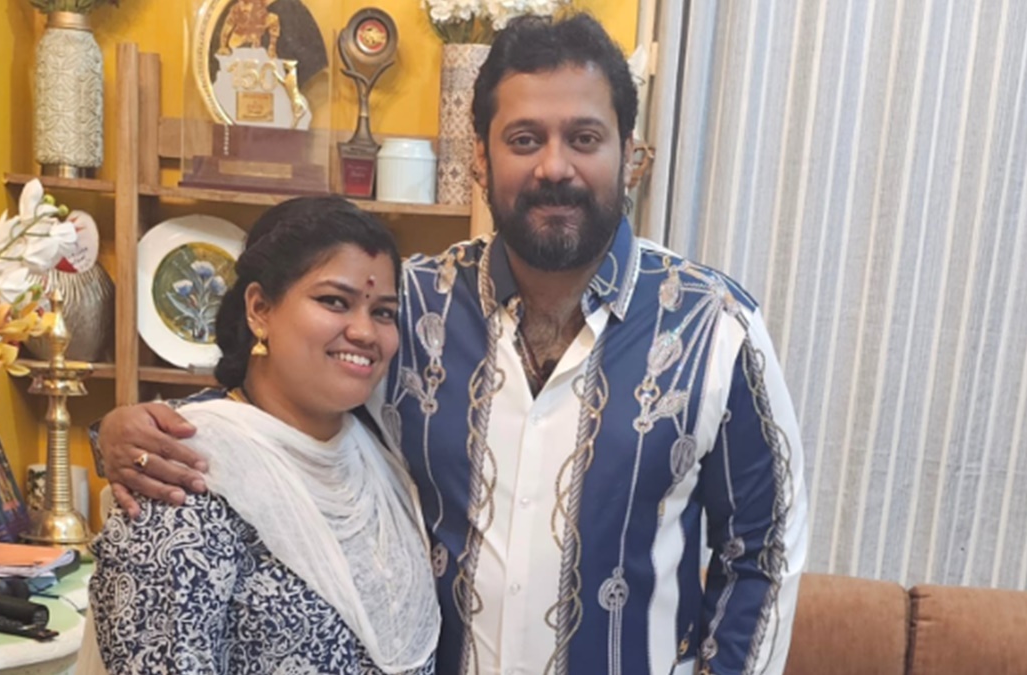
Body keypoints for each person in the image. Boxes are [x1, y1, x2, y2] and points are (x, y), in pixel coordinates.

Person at [95, 13, 808, 675]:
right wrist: (137, 429)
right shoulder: (409, 308)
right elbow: (288, 392)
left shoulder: (713, 329)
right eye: (524, 139)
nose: (554, 166)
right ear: (481, 160)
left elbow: (763, 550)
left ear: (632, 157)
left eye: (585, 138)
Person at [86, 196, 440, 674]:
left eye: (383, 312)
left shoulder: (381, 455)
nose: (364, 332)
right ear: (259, 309)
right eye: (334, 301)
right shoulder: (185, 473)